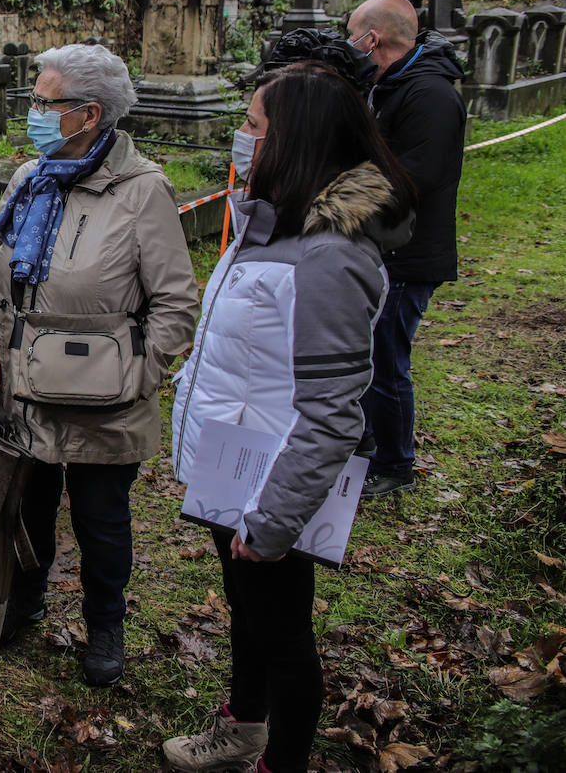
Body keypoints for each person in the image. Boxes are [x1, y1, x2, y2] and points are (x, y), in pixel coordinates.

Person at [165, 62, 414, 773]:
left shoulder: (329, 258)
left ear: (293, 140)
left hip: (276, 482)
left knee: (284, 635)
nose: (240, 137)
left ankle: (284, 759)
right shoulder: (270, 223)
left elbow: (332, 415)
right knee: (248, 612)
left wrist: (273, 522)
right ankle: (244, 723)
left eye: (253, 125)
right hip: (229, 470)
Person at [0, 44, 200, 686]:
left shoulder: (141, 191)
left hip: (106, 400)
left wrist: (134, 374)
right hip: (24, 388)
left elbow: (176, 303)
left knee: (102, 521)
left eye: (44, 102)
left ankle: (105, 624)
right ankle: (26, 600)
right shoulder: (28, 180)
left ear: (87, 114)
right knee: (27, 507)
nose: (33, 112)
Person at [346, 0, 467, 497]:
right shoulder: (390, 85)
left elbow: (413, 176)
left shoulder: (430, 95)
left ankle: (396, 466)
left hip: (408, 254)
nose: (349, 46)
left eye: (353, 36)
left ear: (372, 39)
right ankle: (368, 438)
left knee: (385, 357)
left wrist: (333, 200)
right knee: (365, 353)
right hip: (380, 248)